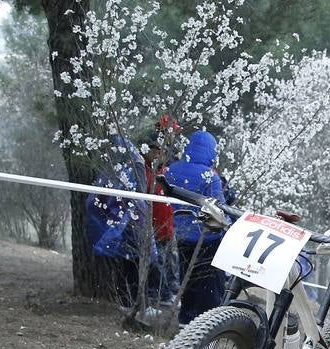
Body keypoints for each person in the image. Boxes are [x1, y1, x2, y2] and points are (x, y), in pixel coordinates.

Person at [85, 133, 156, 317]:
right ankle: (140, 305)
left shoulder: (112, 167)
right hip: (133, 222)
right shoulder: (135, 164)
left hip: (120, 222)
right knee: (137, 264)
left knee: (127, 265)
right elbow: (140, 195)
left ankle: (127, 302)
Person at [164, 129, 226, 325]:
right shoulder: (210, 176)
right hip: (208, 236)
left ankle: (185, 320)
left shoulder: (172, 169)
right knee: (209, 284)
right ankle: (207, 324)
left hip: (181, 233)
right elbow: (219, 207)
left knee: (187, 279)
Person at [141, 133, 180, 307]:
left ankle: (171, 291)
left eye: (161, 151)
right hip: (154, 226)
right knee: (158, 263)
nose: (159, 154)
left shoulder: (164, 172)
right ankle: (160, 295)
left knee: (170, 263)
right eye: (156, 150)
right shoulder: (144, 172)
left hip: (167, 226)